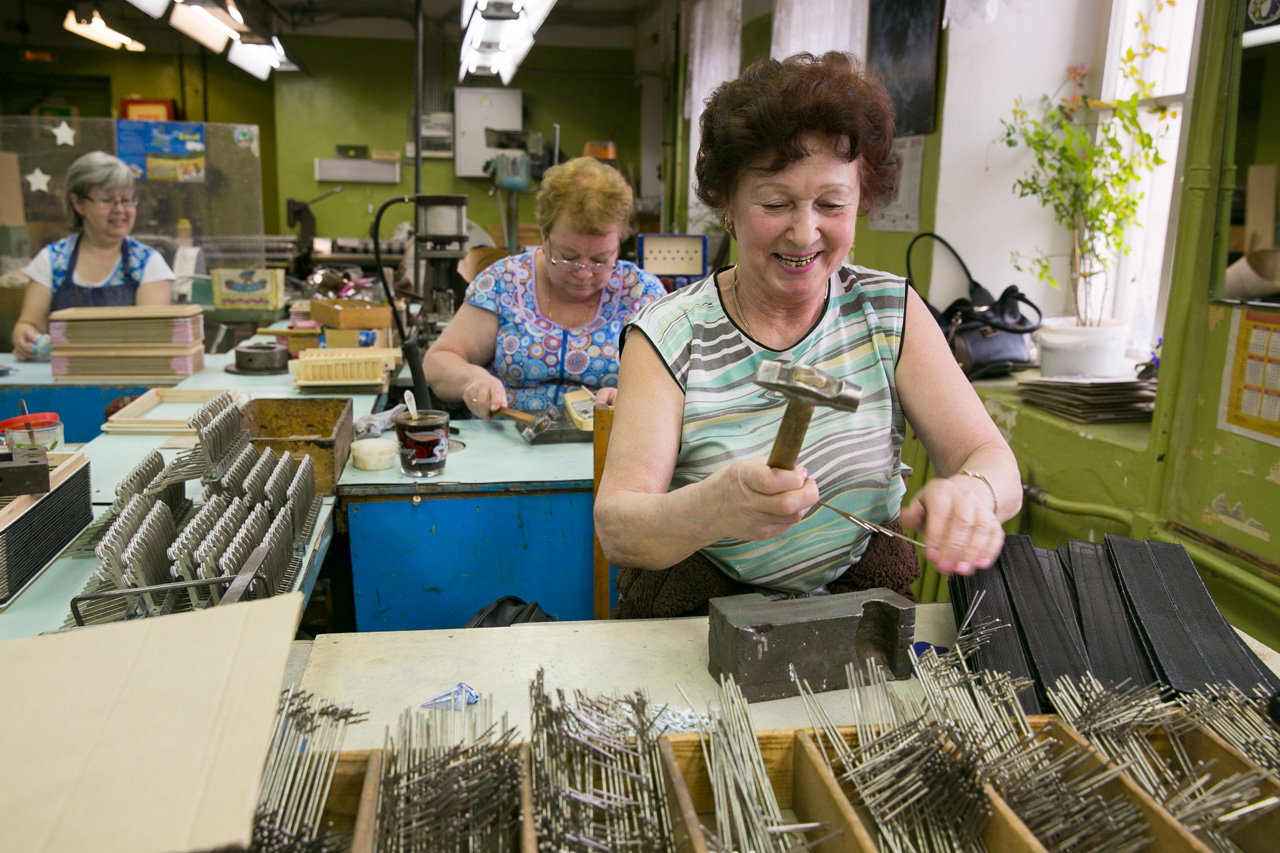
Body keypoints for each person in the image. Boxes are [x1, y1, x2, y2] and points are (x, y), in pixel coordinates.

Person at [594, 52, 1022, 617]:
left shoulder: (889, 311)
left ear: (860, 198)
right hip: (696, 614)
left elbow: (990, 457)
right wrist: (715, 507)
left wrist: (975, 492)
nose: (804, 232)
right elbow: (619, 530)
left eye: (831, 204)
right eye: (775, 203)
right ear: (727, 203)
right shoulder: (670, 334)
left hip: (858, 603)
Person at [423, 157, 667, 417]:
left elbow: (675, 384)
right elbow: (438, 361)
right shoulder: (503, 282)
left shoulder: (642, 294)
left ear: (619, 244)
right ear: (544, 235)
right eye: (569, 257)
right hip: (507, 445)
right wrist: (472, 379)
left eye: (600, 260)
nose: (584, 273)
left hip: (606, 449)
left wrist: (634, 397)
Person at [11, 151, 174, 360]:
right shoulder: (52, 260)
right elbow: (29, 323)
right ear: (78, 204)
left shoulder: (147, 263)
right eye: (107, 200)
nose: (120, 210)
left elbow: (152, 335)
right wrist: (25, 338)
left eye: (126, 200)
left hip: (128, 381)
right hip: (63, 378)